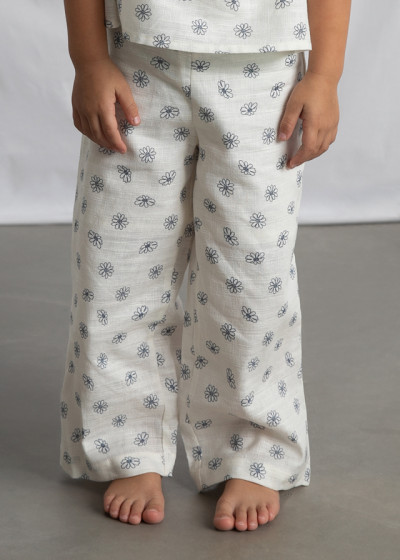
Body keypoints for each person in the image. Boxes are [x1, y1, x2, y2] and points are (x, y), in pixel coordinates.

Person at [60, 0, 351, 531]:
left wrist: (326, 75)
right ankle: (127, 440)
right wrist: (89, 60)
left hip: (265, 77)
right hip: (137, 64)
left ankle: (253, 445)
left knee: (252, 276)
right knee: (118, 266)